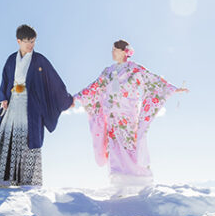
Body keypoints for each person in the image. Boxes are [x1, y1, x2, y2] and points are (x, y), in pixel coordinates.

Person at [74, 40, 188, 188]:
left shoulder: (134, 69)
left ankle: (138, 179)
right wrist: (76, 97)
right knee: (114, 146)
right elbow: (94, 87)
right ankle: (118, 180)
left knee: (129, 145)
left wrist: (172, 88)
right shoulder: (107, 71)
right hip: (112, 115)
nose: (113, 53)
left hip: (127, 113)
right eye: (112, 50)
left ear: (124, 52)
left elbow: (152, 79)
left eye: (115, 50)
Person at [0, 24, 73, 186]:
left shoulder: (39, 60)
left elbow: (54, 81)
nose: (30, 45)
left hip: (31, 104)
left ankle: (27, 181)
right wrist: (3, 98)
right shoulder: (11, 59)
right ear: (18, 41)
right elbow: (5, 81)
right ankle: (3, 179)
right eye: (27, 41)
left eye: (33, 41)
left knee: (29, 138)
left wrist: (66, 99)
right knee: (9, 135)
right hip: (13, 101)